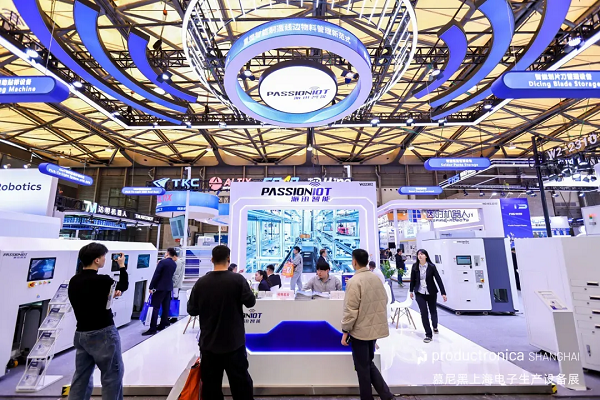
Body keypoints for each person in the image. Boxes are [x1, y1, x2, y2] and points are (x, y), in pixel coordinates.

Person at [188, 245, 255, 400]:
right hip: (234, 343)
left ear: (212, 260)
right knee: (241, 386)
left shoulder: (201, 283)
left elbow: (192, 310)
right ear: (228, 259)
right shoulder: (238, 280)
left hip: (209, 344)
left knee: (211, 388)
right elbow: (250, 302)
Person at [68, 243, 128, 400]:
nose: (104, 259)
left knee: (81, 377)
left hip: (81, 334)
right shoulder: (103, 281)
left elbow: (88, 299)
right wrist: (122, 266)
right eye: (103, 257)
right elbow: (123, 285)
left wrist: (107, 295)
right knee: (112, 375)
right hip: (103, 333)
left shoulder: (74, 281)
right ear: (96, 260)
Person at [341, 249, 394, 400]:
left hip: (360, 331)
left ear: (354, 262)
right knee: (367, 364)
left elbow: (350, 310)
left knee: (362, 368)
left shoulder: (354, 281)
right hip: (373, 330)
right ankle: (387, 396)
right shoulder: (375, 278)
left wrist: (345, 331)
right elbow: (384, 300)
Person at [409, 249, 447, 343]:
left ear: (426, 256)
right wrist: (411, 291)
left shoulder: (431, 266)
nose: (420, 256)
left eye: (422, 254)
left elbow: (438, 279)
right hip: (419, 293)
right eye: (418, 254)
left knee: (433, 311)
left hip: (431, 293)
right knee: (424, 312)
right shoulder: (415, 266)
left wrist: (443, 293)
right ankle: (428, 334)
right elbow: (412, 279)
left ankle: (435, 326)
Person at [143, 248, 177, 336]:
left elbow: (157, 275)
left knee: (155, 307)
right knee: (166, 308)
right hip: (168, 288)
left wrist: (151, 286)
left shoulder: (162, 262)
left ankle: (152, 328)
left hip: (160, 288)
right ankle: (162, 325)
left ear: (167, 253)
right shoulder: (174, 264)